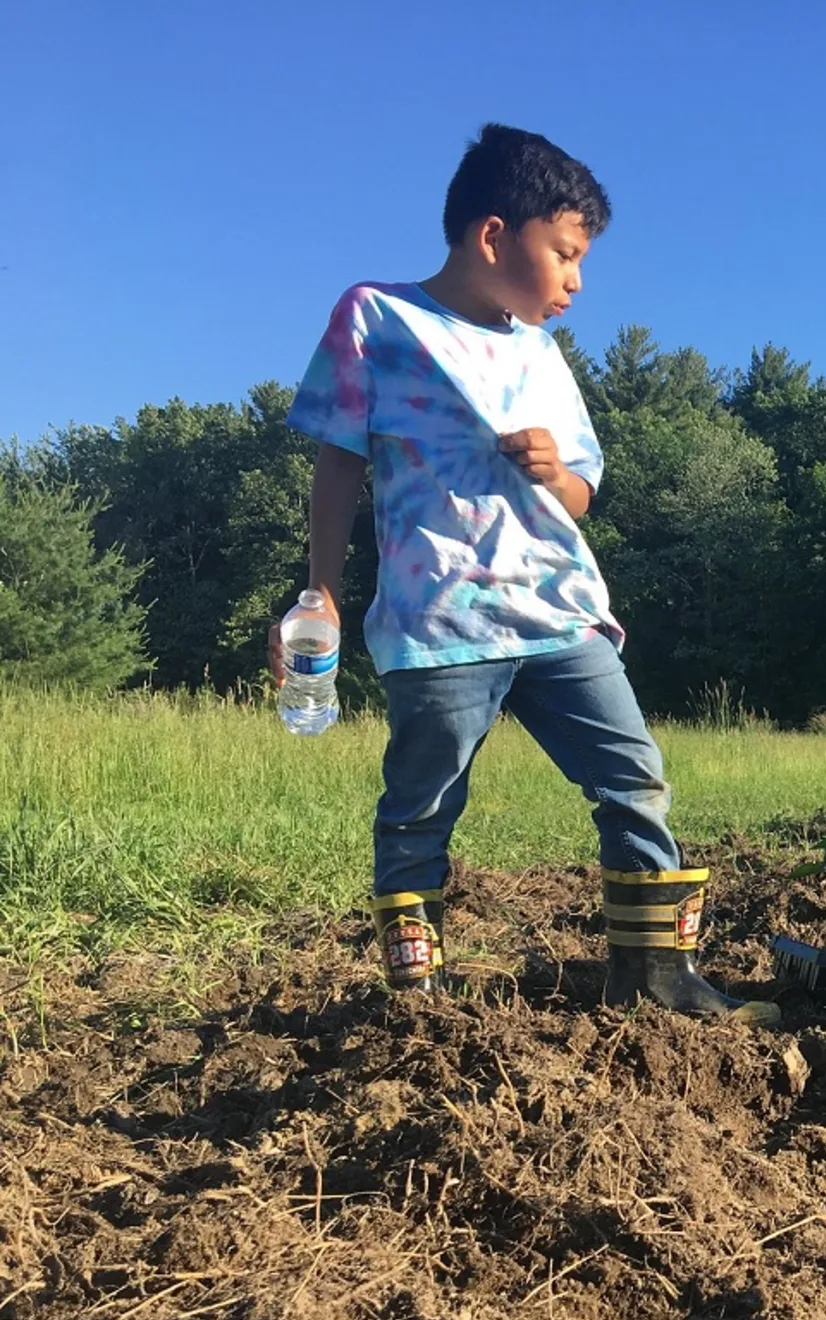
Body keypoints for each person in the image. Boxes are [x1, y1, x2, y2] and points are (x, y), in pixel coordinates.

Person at [270, 123, 775, 1026]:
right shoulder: (377, 319)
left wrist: (556, 470)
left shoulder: (542, 356)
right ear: (494, 235)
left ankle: (654, 976)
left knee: (634, 774)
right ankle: (414, 998)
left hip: (559, 611)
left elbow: (582, 492)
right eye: (566, 254)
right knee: (423, 802)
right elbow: (339, 462)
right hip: (440, 621)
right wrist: (321, 592)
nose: (577, 281)